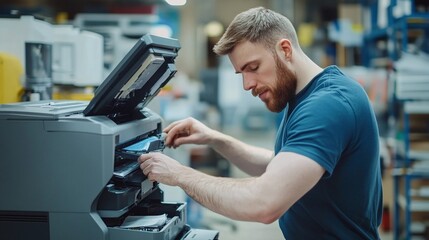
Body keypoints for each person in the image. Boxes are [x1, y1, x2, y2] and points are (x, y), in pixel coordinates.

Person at [139, 6, 382, 239]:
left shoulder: (327, 104)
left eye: (253, 68)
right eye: (241, 73)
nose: (247, 85)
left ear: (285, 49)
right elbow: (282, 166)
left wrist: (178, 174)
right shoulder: (303, 96)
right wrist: (215, 139)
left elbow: (264, 203)